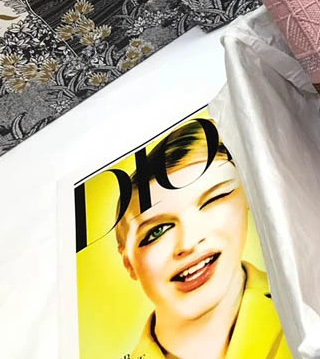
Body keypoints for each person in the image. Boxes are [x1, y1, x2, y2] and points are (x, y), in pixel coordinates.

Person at [114, 121, 291, 359]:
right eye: (158, 231)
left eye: (212, 200)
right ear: (128, 262)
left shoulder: (305, 295)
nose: (188, 243)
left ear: (248, 196)